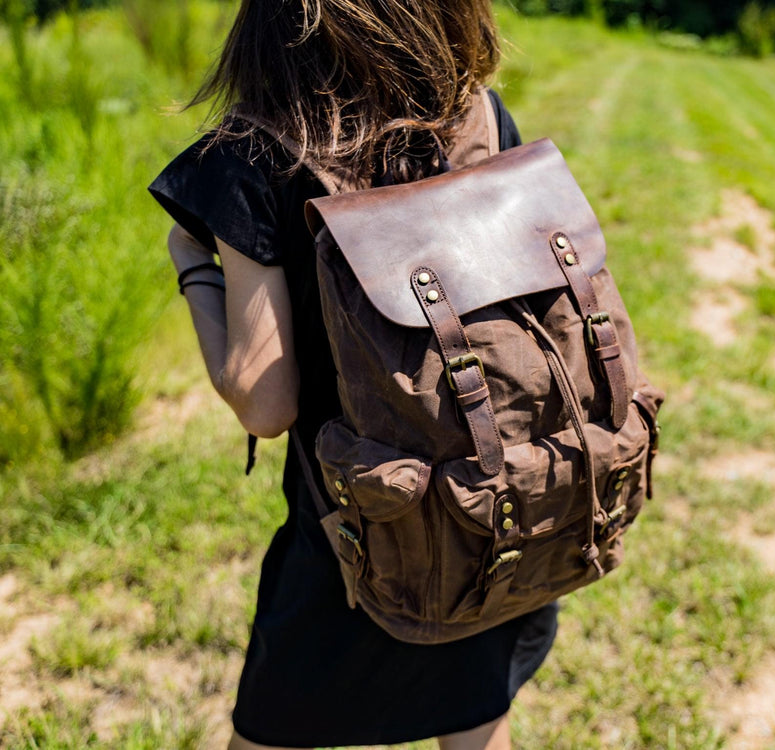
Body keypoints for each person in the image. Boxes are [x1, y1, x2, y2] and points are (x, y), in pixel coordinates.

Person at [148, 2, 558, 748]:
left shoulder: (254, 150)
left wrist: (190, 263)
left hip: (357, 534)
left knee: (269, 733)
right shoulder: (480, 119)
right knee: (476, 720)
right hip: (497, 503)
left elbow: (264, 400)